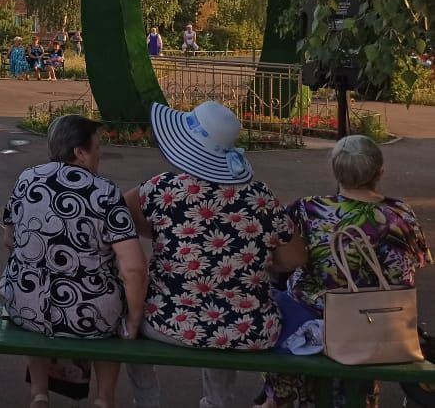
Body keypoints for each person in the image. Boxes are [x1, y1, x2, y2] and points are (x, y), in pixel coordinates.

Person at [123, 101, 306, 408]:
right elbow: (295, 258)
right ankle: (217, 403)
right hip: (248, 328)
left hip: (169, 322)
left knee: (128, 317)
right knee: (226, 318)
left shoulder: (162, 189)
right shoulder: (260, 196)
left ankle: (147, 401)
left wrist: (161, 231)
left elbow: (121, 212)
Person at [259, 136, 431, 408]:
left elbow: (280, 259)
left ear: (335, 170)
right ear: (380, 172)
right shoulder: (400, 214)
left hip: (312, 321)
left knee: (282, 300)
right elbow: (410, 272)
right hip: (372, 326)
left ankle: (280, 396)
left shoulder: (307, 209)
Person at [1, 114, 147, 408]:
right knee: (117, 313)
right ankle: (103, 399)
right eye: (97, 146)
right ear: (79, 152)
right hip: (90, 314)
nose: (100, 153)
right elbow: (133, 268)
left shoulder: (27, 179)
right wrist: (133, 319)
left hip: (24, 306)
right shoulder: (105, 192)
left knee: (37, 299)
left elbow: (9, 238)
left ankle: (39, 394)